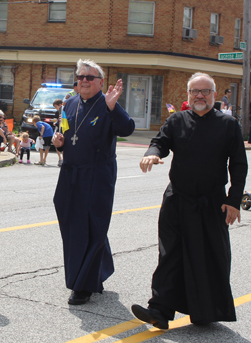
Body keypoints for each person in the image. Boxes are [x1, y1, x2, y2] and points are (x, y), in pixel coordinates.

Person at [131, 72, 248, 329]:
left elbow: (239, 165)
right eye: (195, 91)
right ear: (188, 94)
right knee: (170, 254)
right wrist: (152, 154)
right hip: (177, 200)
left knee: (209, 256)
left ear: (214, 95)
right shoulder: (177, 120)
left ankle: (206, 311)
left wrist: (233, 200)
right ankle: (159, 310)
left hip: (212, 203)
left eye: (205, 91)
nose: (200, 96)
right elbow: (159, 142)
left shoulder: (228, 125)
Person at [52, 59, 135, 305]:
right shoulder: (69, 103)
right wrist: (59, 140)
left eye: (90, 77)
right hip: (70, 171)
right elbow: (65, 131)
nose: (84, 81)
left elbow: (127, 129)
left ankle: (83, 285)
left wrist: (113, 107)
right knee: (71, 222)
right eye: (81, 77)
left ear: (100, 82)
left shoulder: (107, 103)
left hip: (98, 173)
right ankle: (100, 267)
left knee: (92, 225)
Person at [53, 99, 64, 166]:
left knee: (58, 144)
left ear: (60, 105)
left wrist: (55, 123)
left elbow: (60, 120)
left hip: (61, 130)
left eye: (55, 106)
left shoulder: (62, 111)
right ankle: (60, 158)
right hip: (60, 129)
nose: (55, 108)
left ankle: (61, 159)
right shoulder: (59, 111)